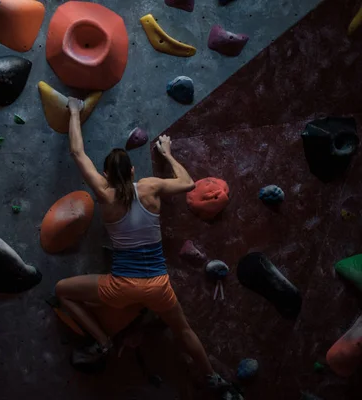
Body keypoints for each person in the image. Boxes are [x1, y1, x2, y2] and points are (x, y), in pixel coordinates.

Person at [55, 98, 242, 399]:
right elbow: (188, 183)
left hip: (122, 289)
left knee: (62, 290)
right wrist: (167, 154)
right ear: (131, 171)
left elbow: (77, 152)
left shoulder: (103, 193)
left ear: (106, 175)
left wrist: (75, 112)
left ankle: (103, 341)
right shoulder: (151, 187)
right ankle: (213, 378)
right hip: (157, 287)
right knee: (183, 330)